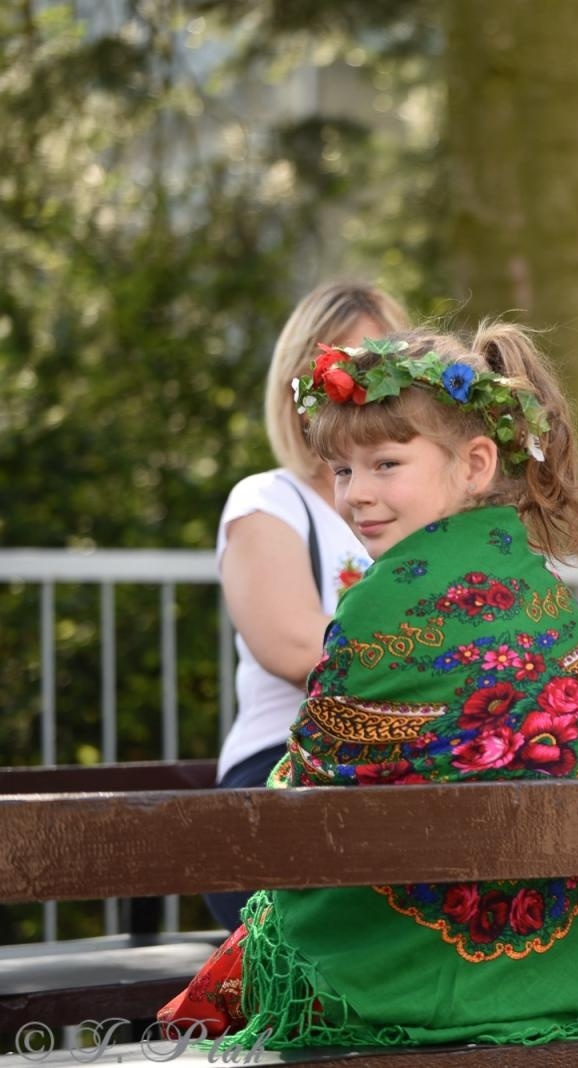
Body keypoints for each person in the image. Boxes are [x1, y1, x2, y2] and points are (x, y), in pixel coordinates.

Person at [159, 324, 578, 1048]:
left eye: (385, 464)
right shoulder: (550, 595)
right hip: (545, 970)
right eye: (343, 471)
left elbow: (310, 781)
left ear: (475, 464)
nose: (357, 495)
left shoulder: (380, 604)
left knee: (216, 987)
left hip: (386, 980)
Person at [206, 281, 409, 931]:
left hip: (407, 773)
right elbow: (294, 646)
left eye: (375, 370)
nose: (352, 390)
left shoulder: (425, 508)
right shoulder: (268, 500)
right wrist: (454, 666)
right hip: (284, 773)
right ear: (297, 389)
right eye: (333, 372)